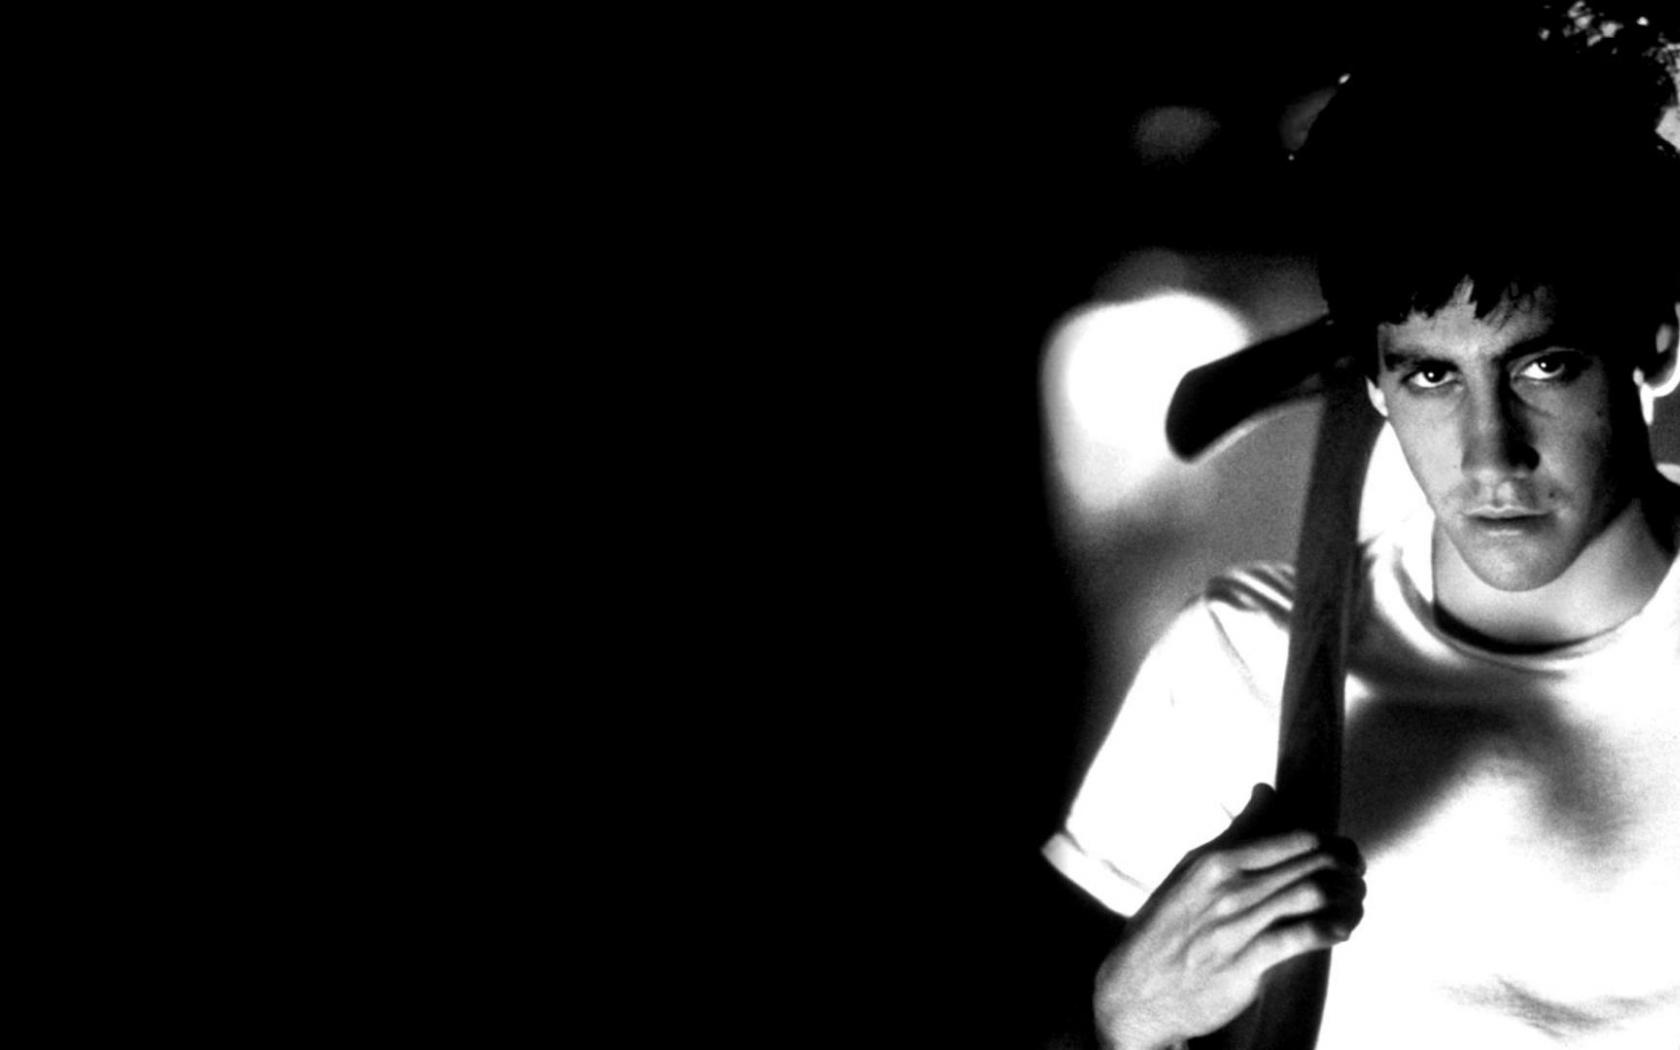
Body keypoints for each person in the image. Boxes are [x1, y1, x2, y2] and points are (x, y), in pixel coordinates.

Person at [1043, 12, 1680, 1050]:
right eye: (1431, 375)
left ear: (1654, 346)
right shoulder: (1241, 661)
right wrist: (1125, 1018)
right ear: (1377, 384)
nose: (1490, 455)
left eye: (1543, 365)